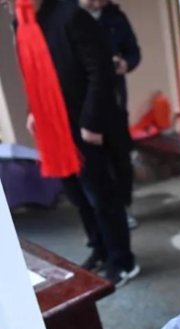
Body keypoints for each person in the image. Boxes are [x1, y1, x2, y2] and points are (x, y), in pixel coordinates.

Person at [14, 0, 139, 286]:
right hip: (52, 129)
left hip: (82, 126)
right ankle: (99, 249)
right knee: (78, 196)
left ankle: (122, 261)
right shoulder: (22, 23)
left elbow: (101, 73)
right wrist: (32, 111)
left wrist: (91, 123)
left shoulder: (71, 16)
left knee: (101, 197)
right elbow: (31, 73)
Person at [81, 0, 141, 229]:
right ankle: (103, 217)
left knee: (121, 159)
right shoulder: (71, 18)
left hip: (114, 101)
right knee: (95, 165)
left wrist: (125, 63)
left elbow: (134, 52)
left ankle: (124, 206)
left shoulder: (115, 17)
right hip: (84, 106)